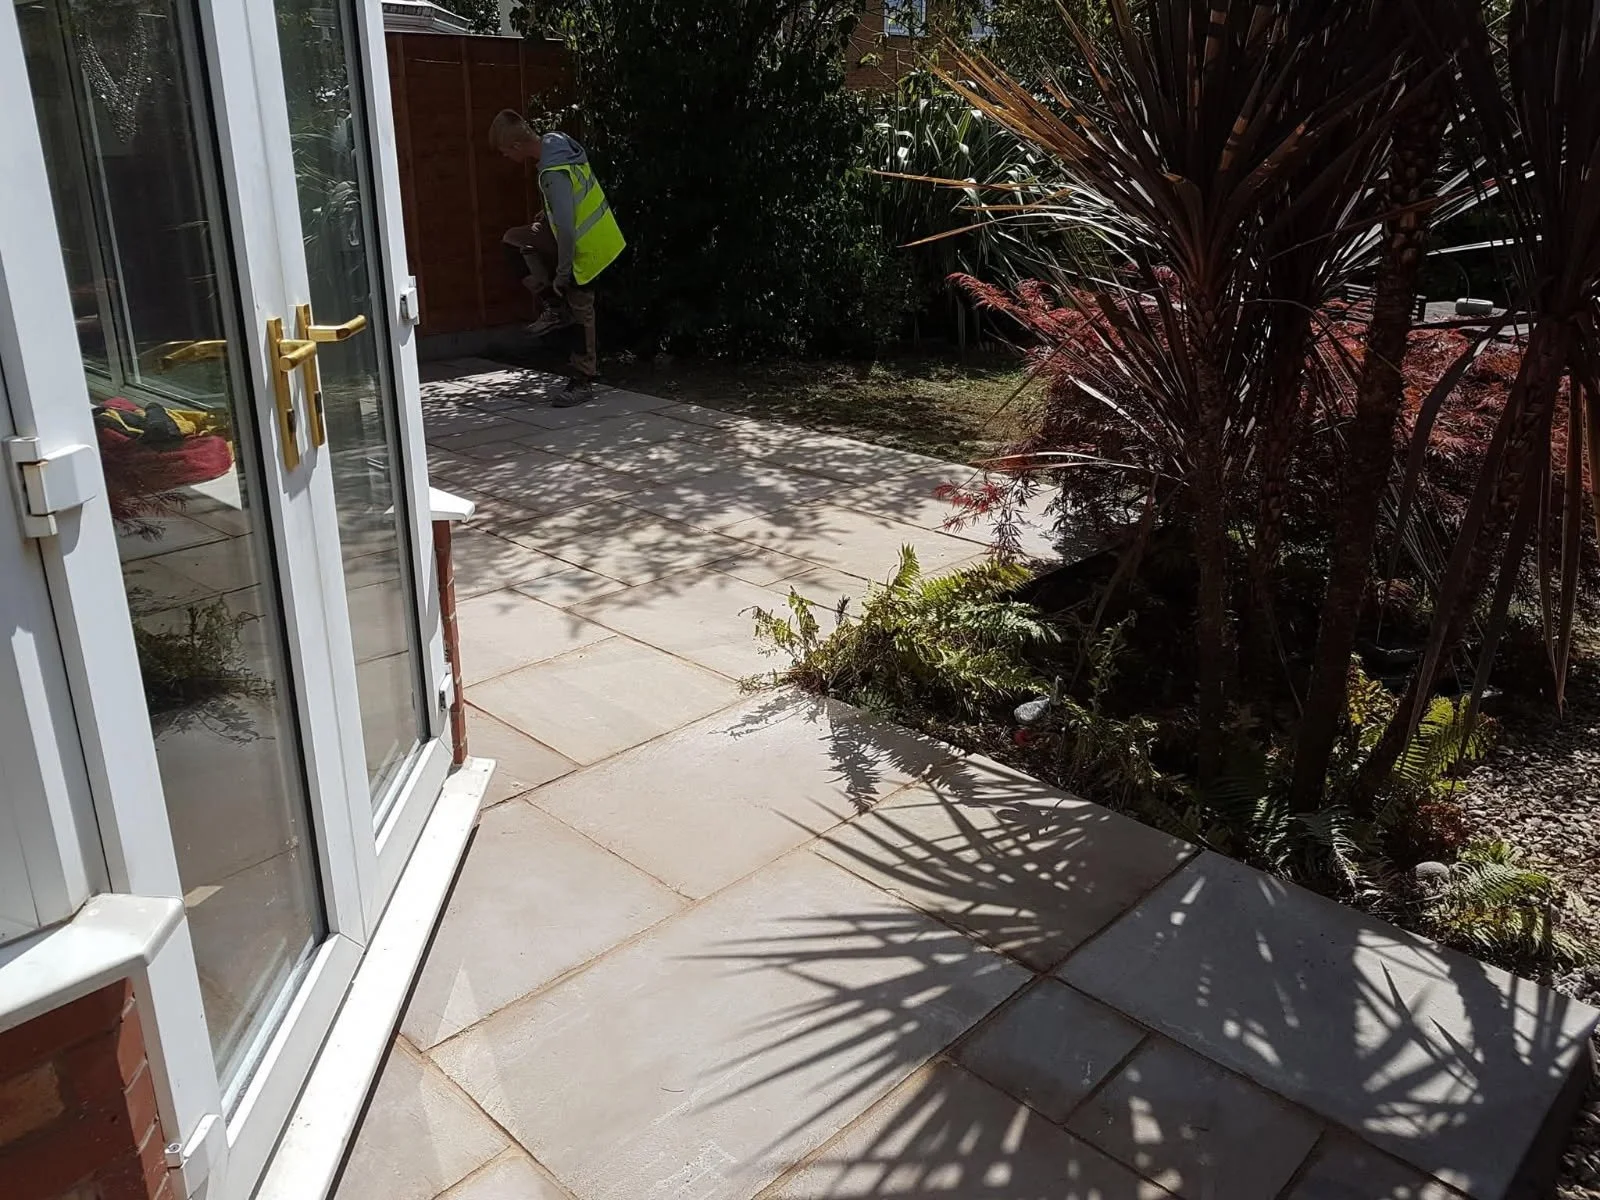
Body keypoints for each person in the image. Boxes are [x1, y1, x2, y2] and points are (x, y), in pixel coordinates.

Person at [488, 110, 625, 404]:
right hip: (593, 232)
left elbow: (566, 227)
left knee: (580, 305)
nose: (504, 158)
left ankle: (583, 380)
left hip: (585, 244)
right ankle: (553, 307)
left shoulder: (552, 173)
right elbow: (568, 205)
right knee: (513, 240)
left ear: (515, 147)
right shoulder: (556, 142)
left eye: (504, 152)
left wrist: (563, 271)